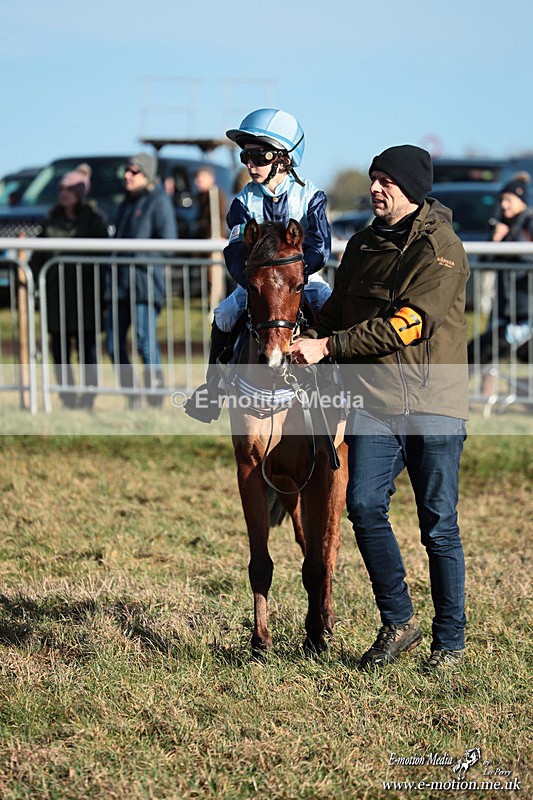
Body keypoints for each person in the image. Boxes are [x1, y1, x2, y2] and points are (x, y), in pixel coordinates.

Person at [290, 145, 470, 672]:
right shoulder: (364, 243)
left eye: (387, 180)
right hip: (376, 403)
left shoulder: (442, 248)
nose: (376, 188)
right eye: (373, 179)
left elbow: (408, 324)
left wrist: (331, 348)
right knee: (364, 507)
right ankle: (399, 622)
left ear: (412, 188)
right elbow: (340, 312)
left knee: (438, 526)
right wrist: (307, 339)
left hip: (433, 402)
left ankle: (450, 643)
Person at [185, 107, 332, 422]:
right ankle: (212, 390)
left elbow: (321, 246)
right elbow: (236, 250)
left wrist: (291, 274)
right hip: (256, 282)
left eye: (260, 156)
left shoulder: (312, 195)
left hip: (303, 278)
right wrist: (254, 278)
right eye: (245, 156)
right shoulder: (242, 200)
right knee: (223, 314)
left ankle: (348, 389)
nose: (250, 163)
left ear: (284, 157)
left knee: (334, 309)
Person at [29, 168, 108, 409]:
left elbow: (104, 255)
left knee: (87, 350)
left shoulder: (94, 220)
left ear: (80, 192)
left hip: (86, 296)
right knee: (60, 351)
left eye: (69, 189)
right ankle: (67, 397)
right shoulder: (51, 219)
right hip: (57, 297)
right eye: (61, 189)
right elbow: (37, 258)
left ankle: (88, 397)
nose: (64, 193)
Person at [104, 153, 177, 407]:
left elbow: (169, 244)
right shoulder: (125, 202)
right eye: (126, 170)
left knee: (144, 340)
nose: (127, 175)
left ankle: (155, 398)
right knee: (113, 343)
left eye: (133, 171)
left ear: (146, 175)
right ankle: (132, 396)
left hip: (145, 285)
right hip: (119, 285)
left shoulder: (158, 202)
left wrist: (138, 253)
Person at [468, 172, 532, 396]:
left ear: (521, 200)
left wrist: (511, 244)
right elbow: (484, 262)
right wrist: (496, 241)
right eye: (501, 199)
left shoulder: (529, 224)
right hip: (504, 307)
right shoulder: (500, 225)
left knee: (486, 349)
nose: (503, 205)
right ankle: (484, 398)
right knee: (485, 351)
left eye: (508, 199)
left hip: (526, 312)